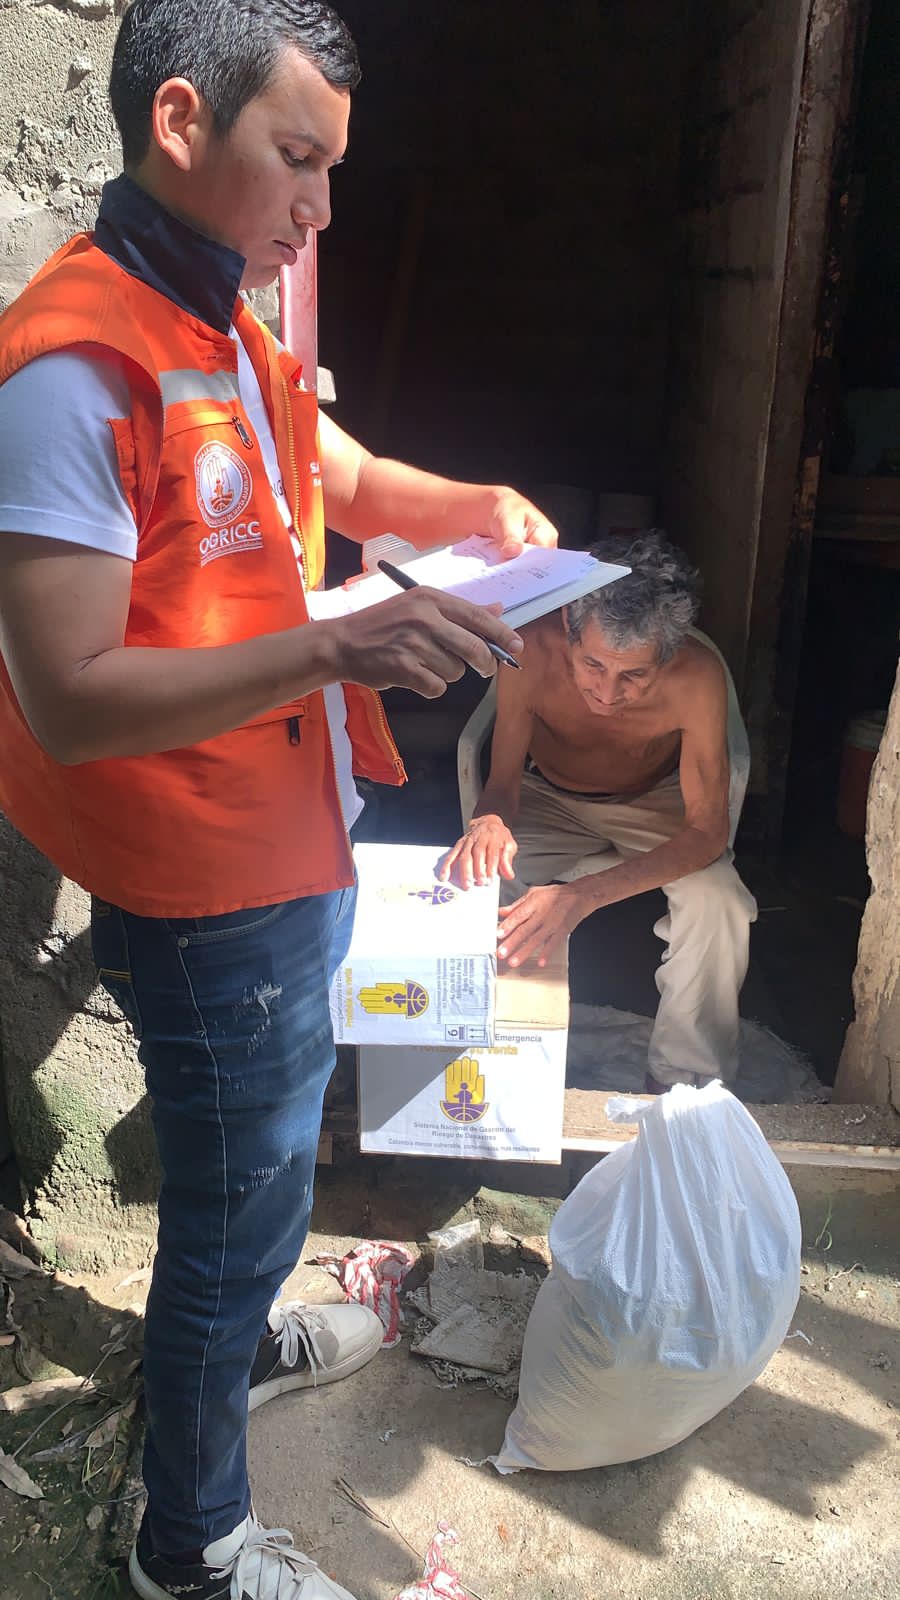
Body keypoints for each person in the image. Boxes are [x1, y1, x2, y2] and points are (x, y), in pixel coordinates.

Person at [0, 4, 557, 1596]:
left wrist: (468, 505)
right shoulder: (74, 363)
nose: (321, 206)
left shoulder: (221, 321)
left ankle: (224, 1367)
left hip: (293, 842)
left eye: (332, 167)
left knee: (261, 1188)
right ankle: (195, 1546)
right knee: (233, 1220)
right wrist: (340, 639)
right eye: (296, 159)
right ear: (181, 122)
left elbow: (338, 475)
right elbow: (66, 691)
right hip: (204, 892)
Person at [441, 533, 758, 1091]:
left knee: (719, 900)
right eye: (592, 664)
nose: (608, 693)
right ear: (568, 630)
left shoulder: (697, 677)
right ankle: (499, 1060)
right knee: (478, 884)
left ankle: (684, 1079)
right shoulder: (530, 649)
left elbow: (708, 832)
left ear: (669, 654)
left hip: (655, 804)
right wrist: (487, 822)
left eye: (633, 675)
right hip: (546, 797)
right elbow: (503, 784)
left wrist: (581, 896)